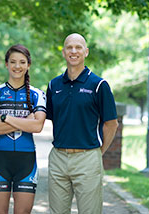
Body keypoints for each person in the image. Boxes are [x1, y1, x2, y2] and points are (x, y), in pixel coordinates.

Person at [46, 33, 119, 214]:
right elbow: (52, 118)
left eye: (78, 47)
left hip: (87, 158)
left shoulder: (99, 85)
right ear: (63, 52)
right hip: (58, 158)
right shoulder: (53, 85)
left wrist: (98, 152)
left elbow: (111, 124)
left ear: (86, 52)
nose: (74, 51)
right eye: (69, 47)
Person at [0, 44, 47, 214]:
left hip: (26, 162)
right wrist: (24, 121)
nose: (17, 66)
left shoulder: (37, 94)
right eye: (13, 62)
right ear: (6, 64)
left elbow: (37, 126)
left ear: (28, 65)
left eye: (22, 62)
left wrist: (5, 118)